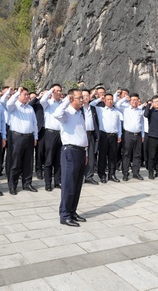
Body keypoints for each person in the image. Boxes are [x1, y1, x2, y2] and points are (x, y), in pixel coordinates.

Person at [53, 89, 88, 227]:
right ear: (71, 98)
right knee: (69, 184)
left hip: (80, 151)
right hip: (70, 151)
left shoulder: (80, 113)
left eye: (82, 98)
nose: (82, 100)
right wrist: (66, 101)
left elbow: (82, 134)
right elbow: (56, 114)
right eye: (79, 98)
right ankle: (65, 215)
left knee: (78, 184)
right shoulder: (66, 113)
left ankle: (72, 211)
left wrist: (85, 153)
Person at [6, 87, 38, 194]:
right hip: (17, 137)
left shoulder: (30, 108)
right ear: (19, 96)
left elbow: (34, 124)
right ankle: (12, 185)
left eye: (28, 94)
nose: (27, 96)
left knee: (28, 162)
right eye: (25, 94)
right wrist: (16, 93)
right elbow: (9, 102)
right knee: (15, 162)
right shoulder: (14, 106)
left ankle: (27, 183)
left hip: (29, 137)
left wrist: (35, 137)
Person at [91, 93, 122, 182]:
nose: (109, 101)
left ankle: (112, 174)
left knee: (113, 156)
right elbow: (91, 104)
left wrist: (119, 135)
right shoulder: (100, 109)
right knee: (102, 156)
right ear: (104, 101)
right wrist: (99, 99)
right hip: (104, 135)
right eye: (107, 99)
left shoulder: (116, 111)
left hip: (114, 136)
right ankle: (102, 175)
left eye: (111, 99)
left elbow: (119, 124)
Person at [115, 92, 145, 181]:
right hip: (128, 135)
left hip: (138, 135)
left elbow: (142, 123)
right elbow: (117, 105)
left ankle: (136, 172)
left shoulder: (140, 110)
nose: (134, 102)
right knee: (126, 154)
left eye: (136, 100)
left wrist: (143, 135)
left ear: (138, 100)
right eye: (133, 100)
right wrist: (125, 98)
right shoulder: (125, 109)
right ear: (130, 100)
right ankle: (125, 173)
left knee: (137, 154)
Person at [40, 85, 64, 191]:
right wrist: (50, 91)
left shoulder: (63, 104)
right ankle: (48, 183)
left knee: (59, 160)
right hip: (50, 133)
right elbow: (42, 100)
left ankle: (57, 181)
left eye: (60, 91)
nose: (58, 92)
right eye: (56, 91)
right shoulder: (48, 103)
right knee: (49, 159)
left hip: (61, 133)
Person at [81, 89, 100, 184]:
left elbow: (96, 122)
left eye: (87, 95)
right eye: (83, 96)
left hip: (91, 134)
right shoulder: (79, 108)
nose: (85, 97)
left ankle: (89, 176)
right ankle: (80, 176)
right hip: (81, 135)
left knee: (91, 156)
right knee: (81, 157)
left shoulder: (92, 108)